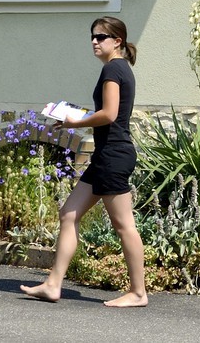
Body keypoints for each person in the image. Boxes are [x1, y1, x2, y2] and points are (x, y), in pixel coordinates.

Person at [20, 16, 147, 308]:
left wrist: (74, 123)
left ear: (117, 41)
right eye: (93, 36)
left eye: (101, 36)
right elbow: (106, 114)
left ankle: (139, 292)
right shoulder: (117, 69)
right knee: (69, 214)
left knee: (124, 224)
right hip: (107, 155)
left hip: (113, 156)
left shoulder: (114, 69)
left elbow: (110, 115)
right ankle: (53, 285)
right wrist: (71, 120)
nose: (94, 41)